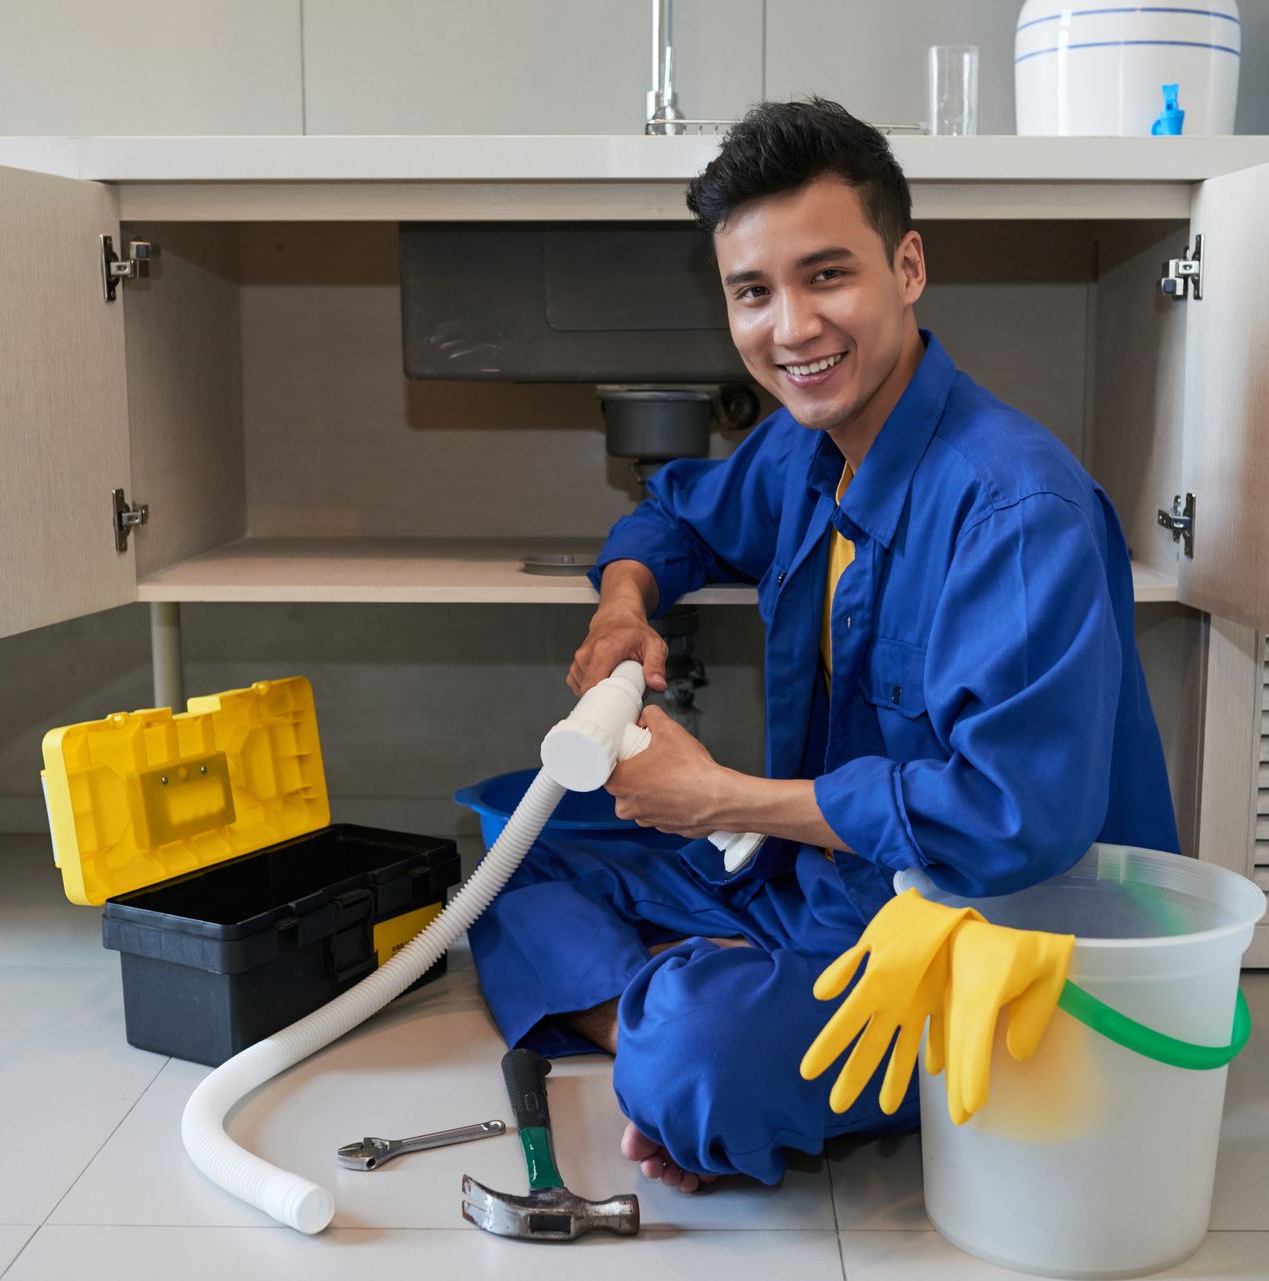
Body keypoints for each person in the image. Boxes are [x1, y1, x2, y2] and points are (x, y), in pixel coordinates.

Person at [468, 97, 1179, 1193]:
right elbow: (680, 515)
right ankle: (702, 1013)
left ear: (907, 267)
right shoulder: (809, 452)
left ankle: (683, 1032)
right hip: (822, 884)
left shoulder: (1013, 511)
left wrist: (723, 801)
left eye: (827, 275)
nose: (791, 328)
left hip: (983, 935)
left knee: (691, 1057)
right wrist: (625, 605)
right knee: (514, 833)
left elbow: (1013, 823)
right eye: (754, 292)